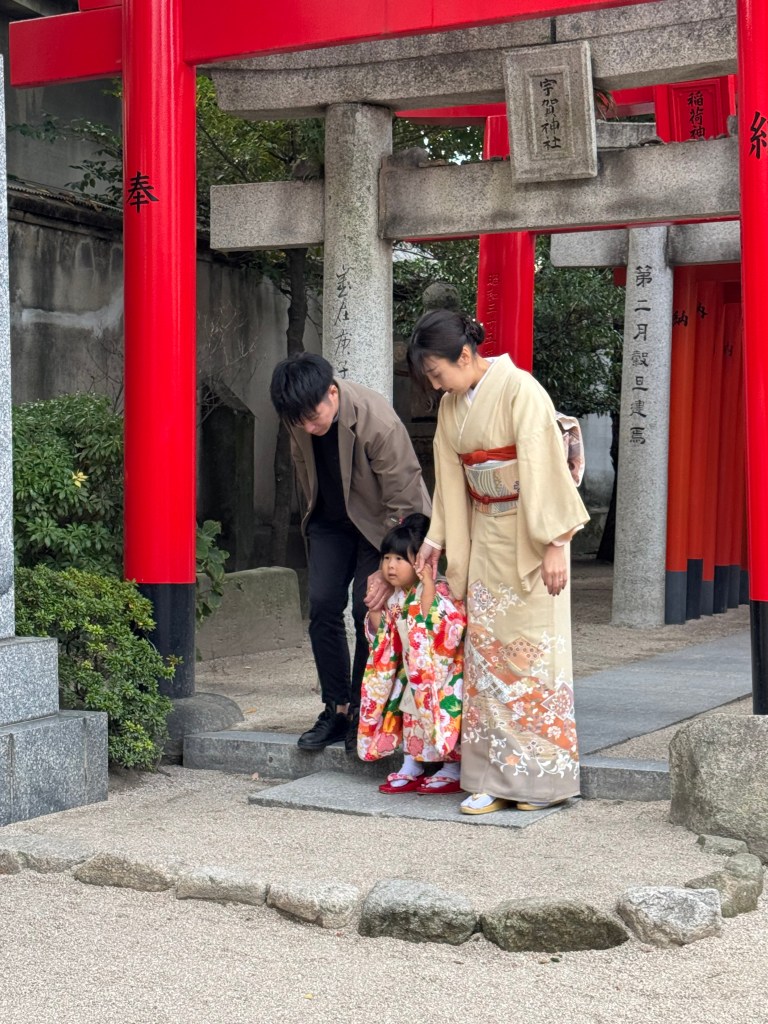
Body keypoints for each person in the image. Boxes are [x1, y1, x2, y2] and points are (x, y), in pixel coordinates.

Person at [407, 309, 590, 815]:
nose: (435, 383)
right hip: (484, 535)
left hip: (530, 539)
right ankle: (488, 778)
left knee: (534, 662)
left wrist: (556, 541)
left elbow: (546, 463)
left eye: (437, 372)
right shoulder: (450, 408)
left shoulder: (521, 389)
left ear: (464, 355)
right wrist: (435, 541)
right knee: (487, 665)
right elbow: (448, 480)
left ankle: (538, 781)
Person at [269, 353, 431, 754]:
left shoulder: (377, 420)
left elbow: (408, 502)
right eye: (299, 421)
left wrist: (387, 565)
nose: (308, 426)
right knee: (322, 605)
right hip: (329, 520)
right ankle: (336, 707)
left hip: (383, 526)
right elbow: (303, 468)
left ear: (332, 392)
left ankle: (365, 710)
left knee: (366, 610)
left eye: (313, 415)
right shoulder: (299, 418)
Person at [357, 513, 465, 794]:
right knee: (411, 716)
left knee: (445, 715)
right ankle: (412, 764)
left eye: (400, 559)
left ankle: (452, 768)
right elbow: (383, 638)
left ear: (420, 561)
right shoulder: (395, 595)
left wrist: (428, 584)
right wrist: (376, 609)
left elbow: (435, 624)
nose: (390, 566)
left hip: (442, 672)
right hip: (411, 671)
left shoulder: (441, 588)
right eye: (387, 558)